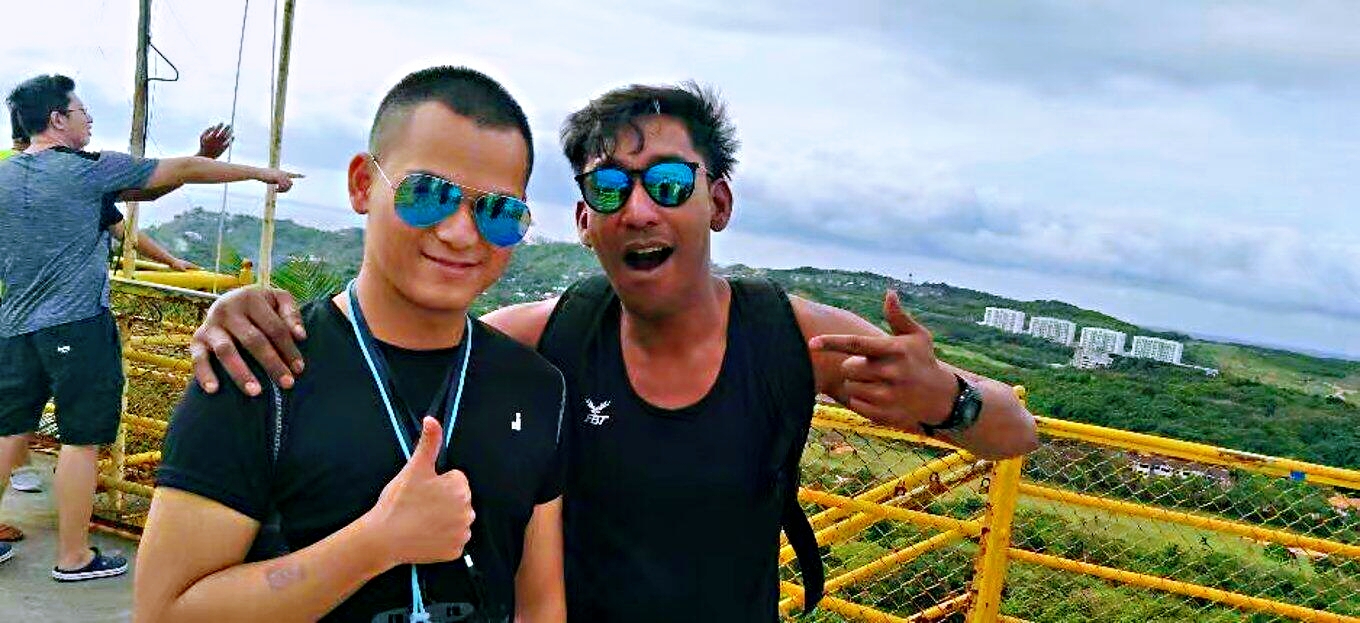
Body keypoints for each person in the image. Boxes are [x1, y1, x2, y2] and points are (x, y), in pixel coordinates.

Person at [191, 82, 1040, 622]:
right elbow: (407, 333)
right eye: (608, 188)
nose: (639, 210)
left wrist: (950, 399)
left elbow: (1015, 431)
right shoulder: (549, 337)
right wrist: (254, 313)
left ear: (717, 203)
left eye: (668, 183)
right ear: (584, 221)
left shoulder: (787, 335)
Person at [133, 66, 566, 623]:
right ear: (363, 185)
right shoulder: (262, 365)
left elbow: (539, 604)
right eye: (427, 194)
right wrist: (375, 545)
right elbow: (165, 611)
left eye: (498, 211)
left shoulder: (534, 387)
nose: (461, 233)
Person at [0, 73, 297, 579]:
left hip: (14, 326)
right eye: (81, 111)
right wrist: (262, 173)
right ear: (57, 119)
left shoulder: (7, 174)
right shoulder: (86, 170)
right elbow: (179, 169)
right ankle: (73, 557)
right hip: (77, 325)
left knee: (9, 430)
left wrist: (200, 156)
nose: (89, 120)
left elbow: (151, 190)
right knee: (81, 440)